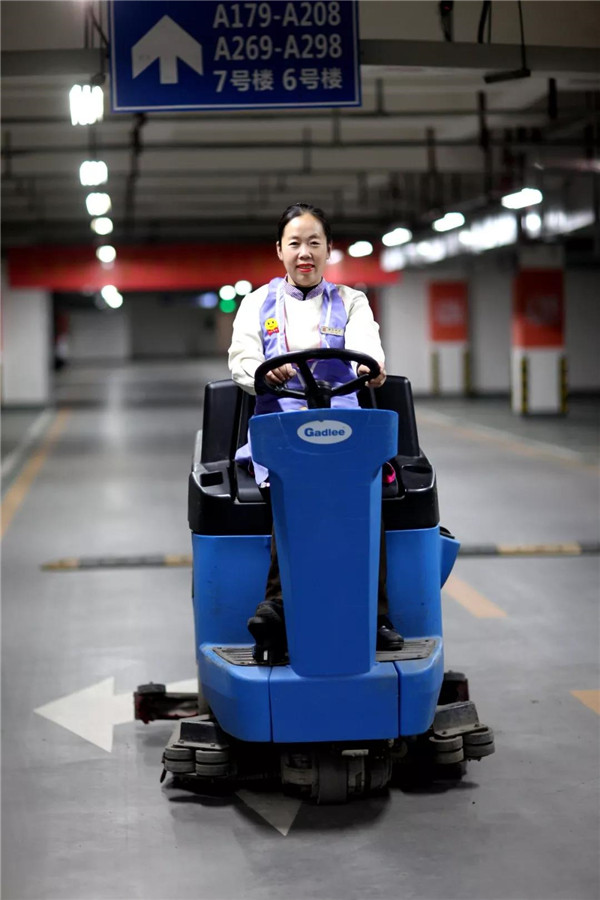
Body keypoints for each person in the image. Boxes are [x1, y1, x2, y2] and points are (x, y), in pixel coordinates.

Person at [228, 202, 404, 660]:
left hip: (345, 430)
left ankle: (374, 614)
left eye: (314, 243)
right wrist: (263, 373)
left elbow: (367, 346)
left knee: (365, 499)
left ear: (328, 250)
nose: (304, 253)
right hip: (281, 430)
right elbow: (243, 359)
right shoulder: (257, 304)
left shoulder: (351, 301)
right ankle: (281, 606)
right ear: (280, 251)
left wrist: (371, 367)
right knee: (293, 495)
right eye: (295, 244)